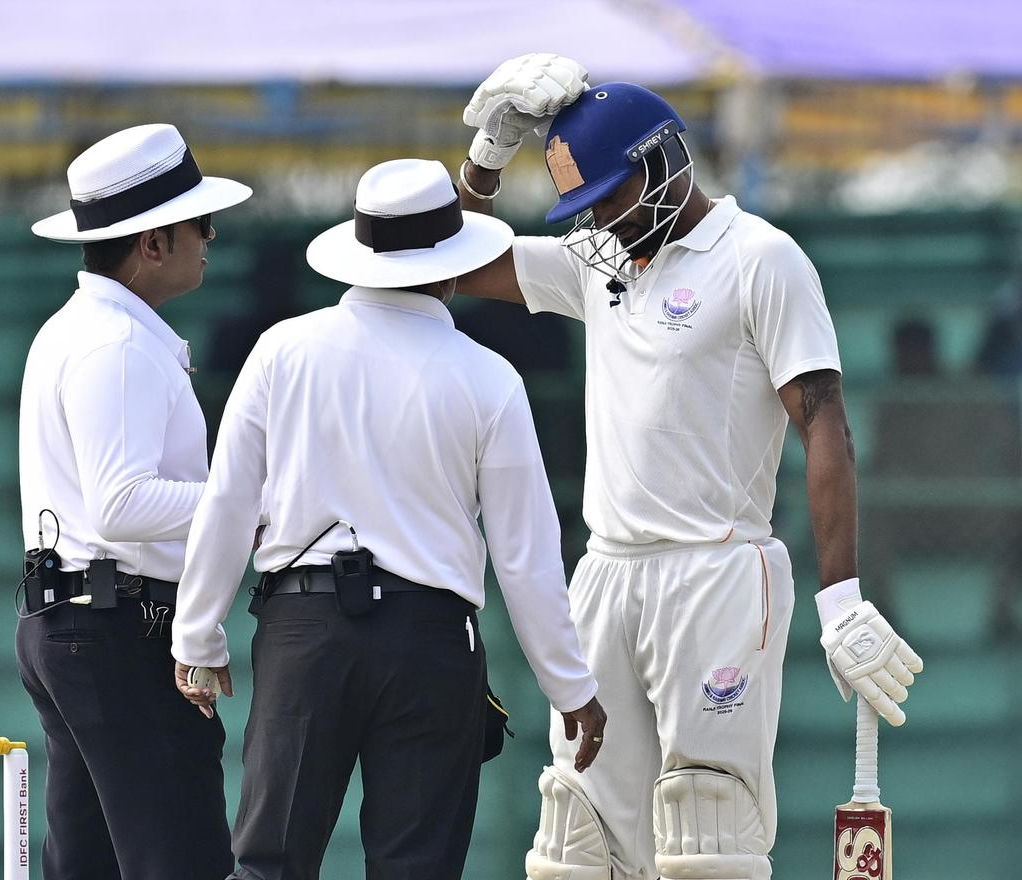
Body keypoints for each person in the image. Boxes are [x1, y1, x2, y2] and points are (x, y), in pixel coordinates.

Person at [453, 54, 925, 880]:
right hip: (606, 572)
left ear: (665, 159)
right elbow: (445, 262)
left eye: (610, 196)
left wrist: (841, 599)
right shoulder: (597, 265)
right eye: (585, 206)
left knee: (706, 834)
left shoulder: (760, 258)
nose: (600, 221)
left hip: (718, 570)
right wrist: (485, 161)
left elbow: (823, 423)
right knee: (574, 839)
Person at [170, 158, 607, 880]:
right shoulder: (490, 377)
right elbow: (525, 557)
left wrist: (197, 632)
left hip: (303, 632)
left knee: (268, 866)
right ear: (452, 264)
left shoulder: (283, 350)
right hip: (431, 643)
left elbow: (229, 498)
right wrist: (570, 688)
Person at [19, 123, 252, 879]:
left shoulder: (87, 331)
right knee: (179, 858)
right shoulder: (114, 345)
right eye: (195, 223)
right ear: (153, 244)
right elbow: (121, 504)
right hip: (114, 627)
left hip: (82, 619)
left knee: (88, 862)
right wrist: (248, 496)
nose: (209, 234)